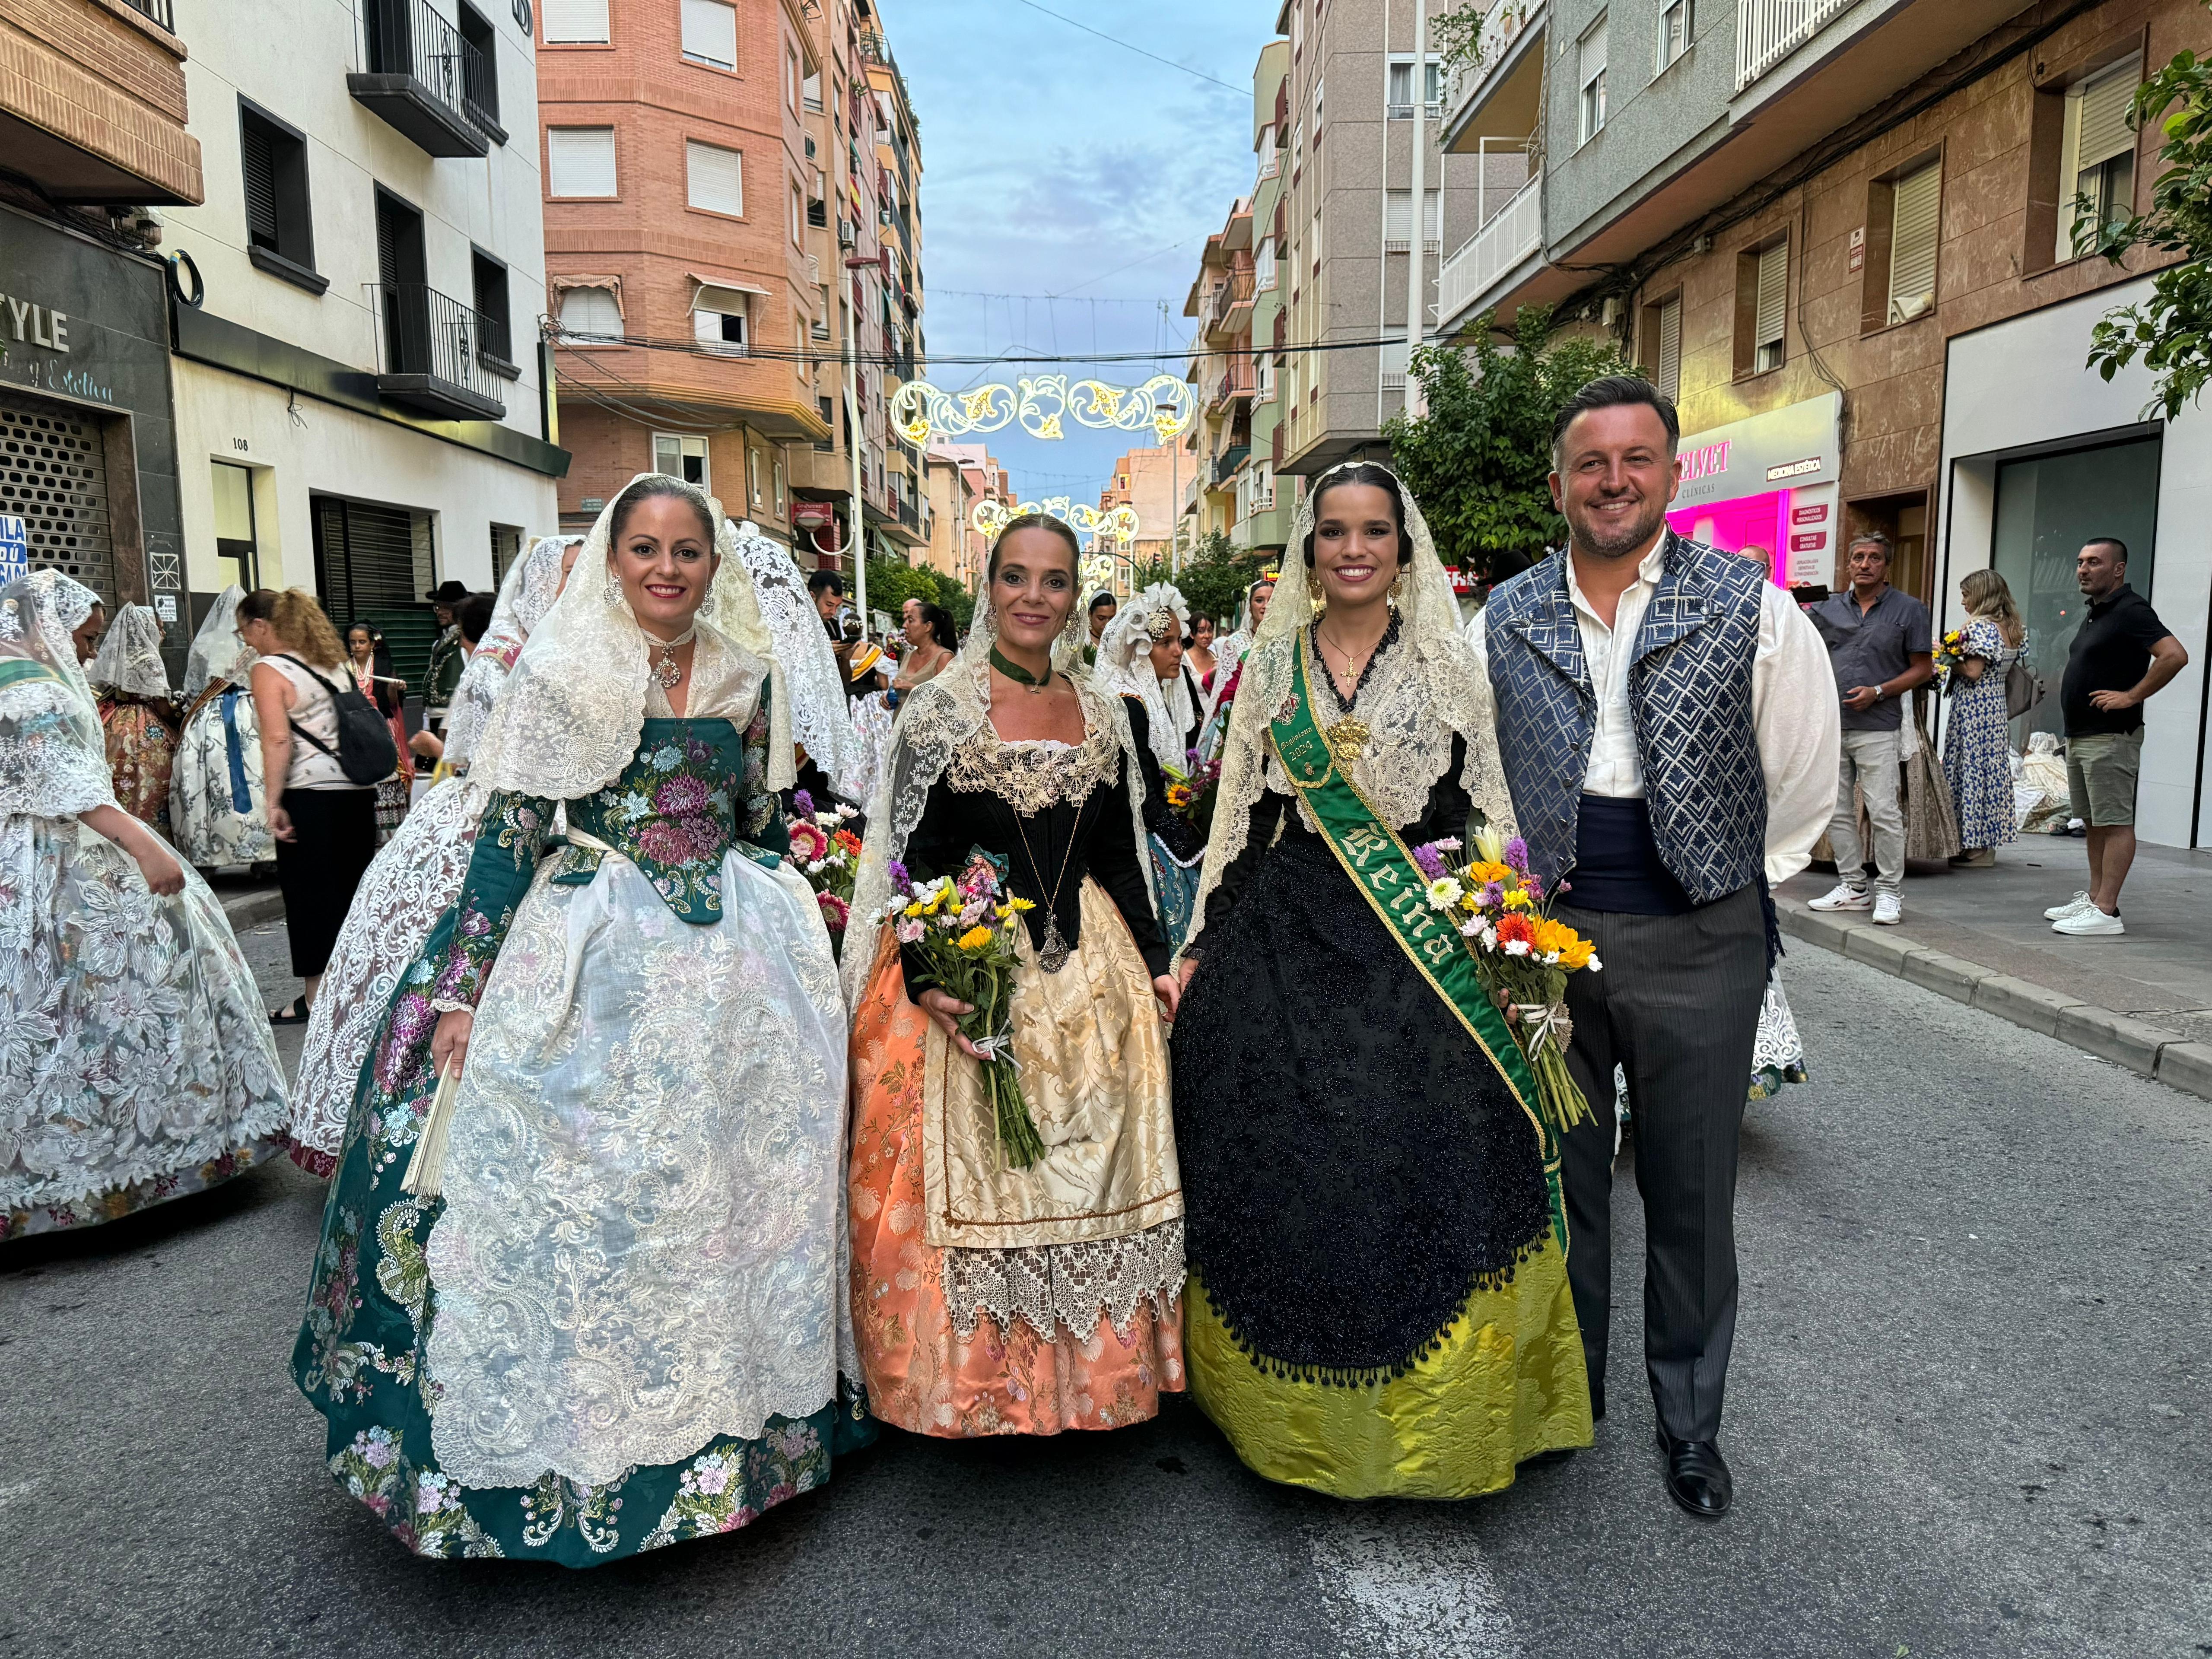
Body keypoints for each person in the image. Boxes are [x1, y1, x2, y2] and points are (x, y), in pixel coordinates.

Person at [292, 473, 861, 1565]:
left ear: (712, 564)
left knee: (735, 1194)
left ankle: (734, 1434)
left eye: (686, 550)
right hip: (594, 950)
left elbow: (755, 815)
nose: (665, 568)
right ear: (612, 561)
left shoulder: (747, 672)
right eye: (643, 548)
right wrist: (460, 993)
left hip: (735, 964)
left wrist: (804, 928)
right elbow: (507, 838)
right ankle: (592, 1441)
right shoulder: (561, 674)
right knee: (590, 1197)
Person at [1170, 463, 1589, 1500]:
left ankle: (1440, 1419)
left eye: (1373, 531)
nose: (1353, 548)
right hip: (1283, 927)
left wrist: (1515, 946)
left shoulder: (1447, 664)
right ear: (1307, 548)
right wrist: (1196, 946)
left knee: (1423, 1142)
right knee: (1280, 1150)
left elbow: (1483, 815)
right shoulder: (1270, 673)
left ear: (1404, 551)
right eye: (1333, 531)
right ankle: (1282, 1416)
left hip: (1415, 934)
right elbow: (1240, 820)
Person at [1478, 376, 1839, 1519]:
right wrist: (1506, 906)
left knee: (1691, 1192)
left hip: (1703, 938)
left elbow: (1805, 772)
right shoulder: (1501, 612)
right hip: (1548, 940)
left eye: (1638, 458)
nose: (1616, 479)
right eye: (1593, 462)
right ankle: (1567, 1402)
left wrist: (1725, 890)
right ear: (1560, 484)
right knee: (1562, 1189)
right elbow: (1471, 767)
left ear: (1674, 477)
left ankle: (1689, 1423)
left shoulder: (1753, 605)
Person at [843, 513, 1186, 1438]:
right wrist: (926, 975)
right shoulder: (939, 712)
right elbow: (911, 861)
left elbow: (1121, 855)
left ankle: (1094, 1386)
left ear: (1076, 597)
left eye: (1054, 581)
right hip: (972, 957)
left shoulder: (1108, 712)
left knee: (1097, 1157)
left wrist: (1156, 965)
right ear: (986, 587)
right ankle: (981, 1395)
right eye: (1015, 578)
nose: (1034, 598)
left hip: (1093, 966)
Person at [0, 569, 287, 1242]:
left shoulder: (18, 676)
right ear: (48, 624)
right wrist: (147, 846)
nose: (88, 649)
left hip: (33, 850)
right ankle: (105, 1157)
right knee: (85, 996)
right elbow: (68, 788)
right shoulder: (32, 689)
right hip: (57, 852)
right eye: (84, 635)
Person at [286, 537, 578, 1176]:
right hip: (492, 814)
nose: (580, 585)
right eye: (568, 574)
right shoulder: (503, 664)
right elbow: (469, 759)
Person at [238, 589, 379, 1027]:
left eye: (244, 631)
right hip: (357, 794)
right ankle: (360, 989)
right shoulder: (333, 664)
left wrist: (274, 800)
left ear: (262, 626)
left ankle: (318, 998)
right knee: (353, 893)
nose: (245, 642)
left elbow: (278, 740)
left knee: (310, 897)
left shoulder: (268, 669)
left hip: (310, 799)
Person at [2045, 536, 2189, 937]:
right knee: (2093, 821)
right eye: (2080, 562)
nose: (2083, 570)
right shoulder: (2097, 612)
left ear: (2118, 569)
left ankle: (2107, 911)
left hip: (2110, 737)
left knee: (2115, 822)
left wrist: (2132, 696)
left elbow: (2175, 654)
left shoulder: (2131, 609)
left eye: (2093, 562)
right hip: (2083, 734)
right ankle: (2094, 900)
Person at [1805, 532, 1933, 926]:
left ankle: (1891, 892)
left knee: (1884, 811)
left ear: (1885, 566)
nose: (1865, 564)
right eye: (1858, 557)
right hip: (1832, 725)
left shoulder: (1909, 610)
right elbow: (1798, 646)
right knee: (1835, 810)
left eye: (1874, 558)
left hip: (1877, 725)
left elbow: (1923, 668)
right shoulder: (1827, 609)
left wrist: (1879, 692)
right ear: (1848, 564)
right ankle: (1854, 887)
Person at [1096, 581, 1207, 951]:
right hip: (1138, 844)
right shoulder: (1130, 705)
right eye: (1166, 643)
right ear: (1141, 652)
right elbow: (1142, 796)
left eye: (1180, 640)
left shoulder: (1156, 697)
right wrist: (1194, 844)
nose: (1179, 651)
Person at [731, 519, 861, 804]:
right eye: (829, 605)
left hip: (795, 761)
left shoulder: (815, 631)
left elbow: (829, 692)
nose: (832, 613)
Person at [171, 586, 276, 870]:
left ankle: (207, 853)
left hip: (209, 719)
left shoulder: (204, 644)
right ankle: (263, 855)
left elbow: (194, 688)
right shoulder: (257, 643)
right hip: (251, 710)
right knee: (257, 775)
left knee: (206, 780)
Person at [1942, 569, 2028, 870]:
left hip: (1974, 707)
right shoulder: (2012, 627)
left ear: (1981, 595)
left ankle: (1975, 848)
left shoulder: (1981, 628)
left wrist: (1945, 658)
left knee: (1969, 771)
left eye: (1967, 594)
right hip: (1995, 708)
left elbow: (1973, 672)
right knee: (1988, 774)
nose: (1964, 601)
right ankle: (1983, 843)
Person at [88, 601, 181, 833]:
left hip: (114, 719)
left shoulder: (120, 655)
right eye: (159, 627)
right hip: (144, 722)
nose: (163, 632)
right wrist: (178, 721)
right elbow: (161, 704)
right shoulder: (149, 660)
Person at [344, 623, 415, 843]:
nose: (357, 647)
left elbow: (391, 704)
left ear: (373, 644)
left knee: (387, 775)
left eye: (362, 642)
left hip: (381, 726)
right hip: (354, 728)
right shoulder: (344, 668)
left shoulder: (384, 666)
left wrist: (394, 689)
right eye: (353, 642)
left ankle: (391, 832)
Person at [421, 580, 471, 734]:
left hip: (454, 717)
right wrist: (427, 723)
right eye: (438, 607)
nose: (440, 612)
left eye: (447, 608)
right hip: (435, 716)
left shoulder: (467, 642)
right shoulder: (438, 642)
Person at [892, 597, 957, 697]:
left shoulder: (944, 657)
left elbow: (947, 699)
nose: (904, 626)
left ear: (928, 626)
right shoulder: (908, 656)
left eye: (911, 620)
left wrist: (911, 687)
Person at [1082, 590, 1116, 667]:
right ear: (1090, 614)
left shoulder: (1119, 640)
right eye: (1101, 618)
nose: (1107, 623)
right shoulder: (1083, 642)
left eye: (1112, 618)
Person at [1186, 612, 1218, 691]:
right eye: (1201, 631)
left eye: (1210, 630)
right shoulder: (1185, 660)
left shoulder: (1215, 656)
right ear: (1192, 634)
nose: (1207, 636)